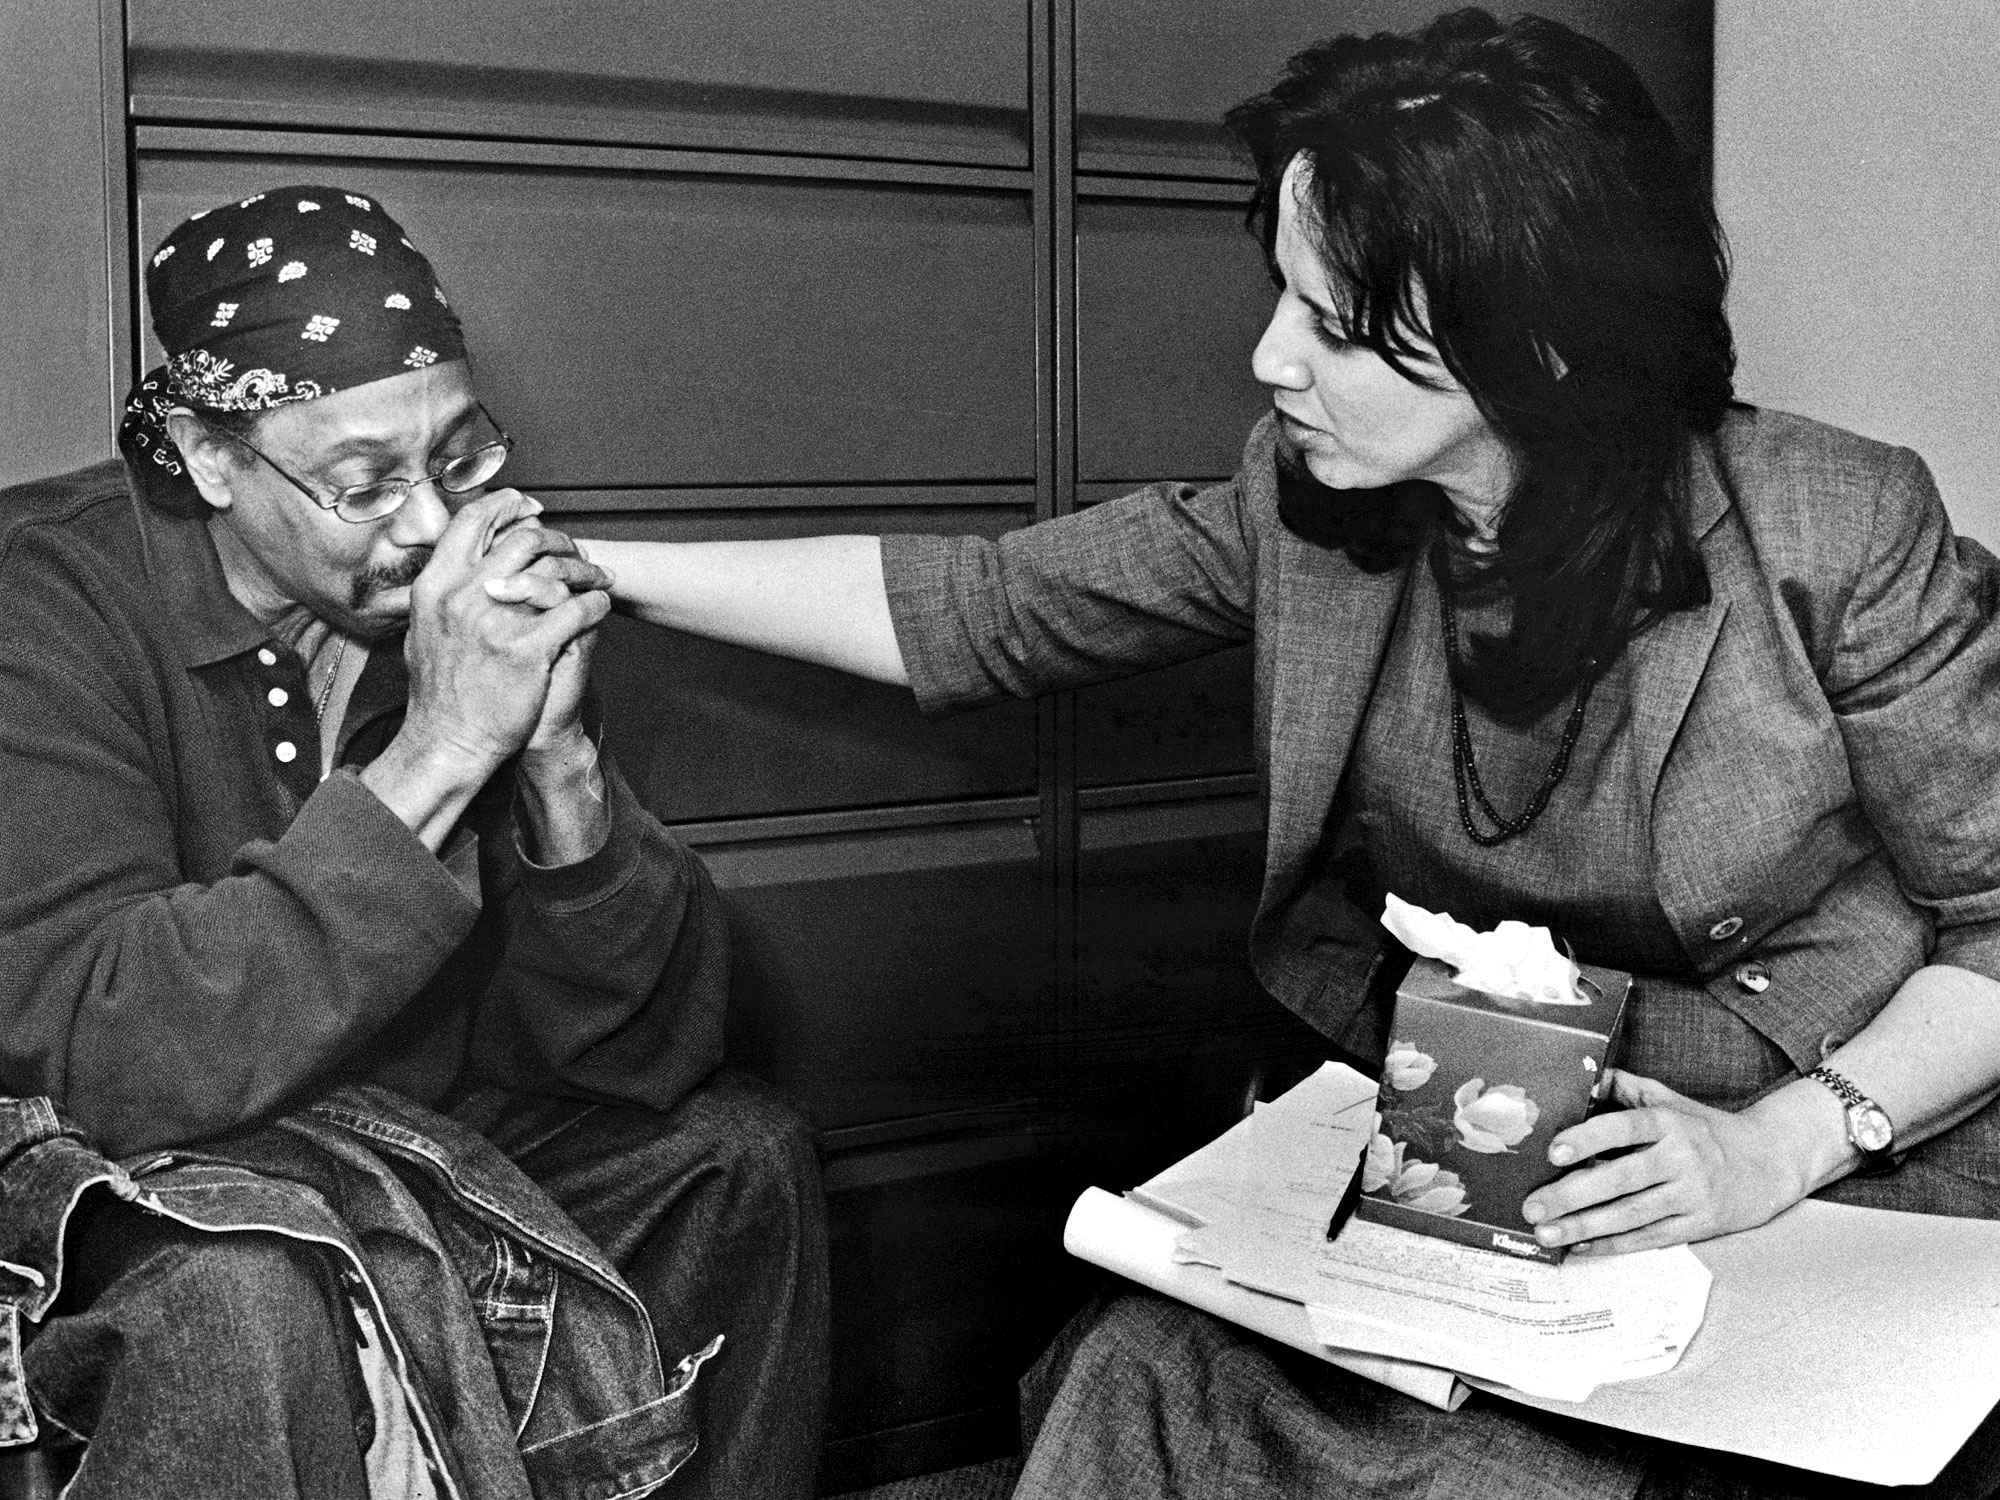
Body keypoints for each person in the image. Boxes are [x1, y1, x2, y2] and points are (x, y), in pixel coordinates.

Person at [574, 9, 2000, 1496]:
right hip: (1471, 1177)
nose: (1268, 360)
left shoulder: (1833, 525)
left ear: (1541, 347)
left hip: (1815, 1179)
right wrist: (590, 569)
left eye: (1334, 325)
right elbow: (988, 609)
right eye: (1283, 300)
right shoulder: (1311, 508)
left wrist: (1771, 1150)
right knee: (1139, 1375)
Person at [0, 186, 827, 1498]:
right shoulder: (43, 600)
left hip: (399, 1128)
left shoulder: (440, 605)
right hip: (112, 1184)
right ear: (212, 459)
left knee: (738, 1159)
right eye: (364, 481)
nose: (433, 527)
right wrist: (438, 750)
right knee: (245, 1288)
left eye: (457, 457)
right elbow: (98, 1052)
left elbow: (640, 1058)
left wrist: (563, 770)